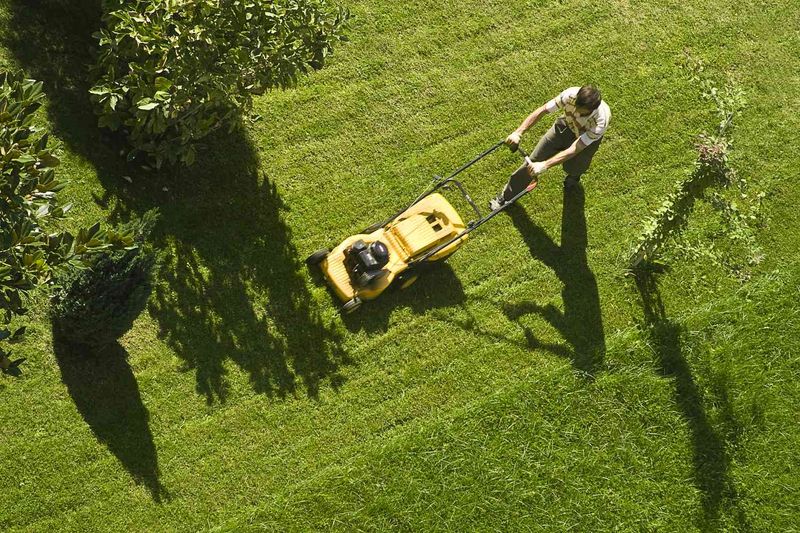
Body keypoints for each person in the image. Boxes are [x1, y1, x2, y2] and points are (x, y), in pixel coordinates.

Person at [490, 85, 611, 210]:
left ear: (592, 109)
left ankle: (573, 177)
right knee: (533, 161)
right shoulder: (570, 95)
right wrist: (518, 132)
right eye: (575, 106)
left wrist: (545, 165)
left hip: (585, 138)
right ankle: (506, 196)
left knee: (575, 167)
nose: (576, 112)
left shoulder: (601, 121)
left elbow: (576, 148)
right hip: (564, 127)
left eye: (581, 111)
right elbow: (543, 110)